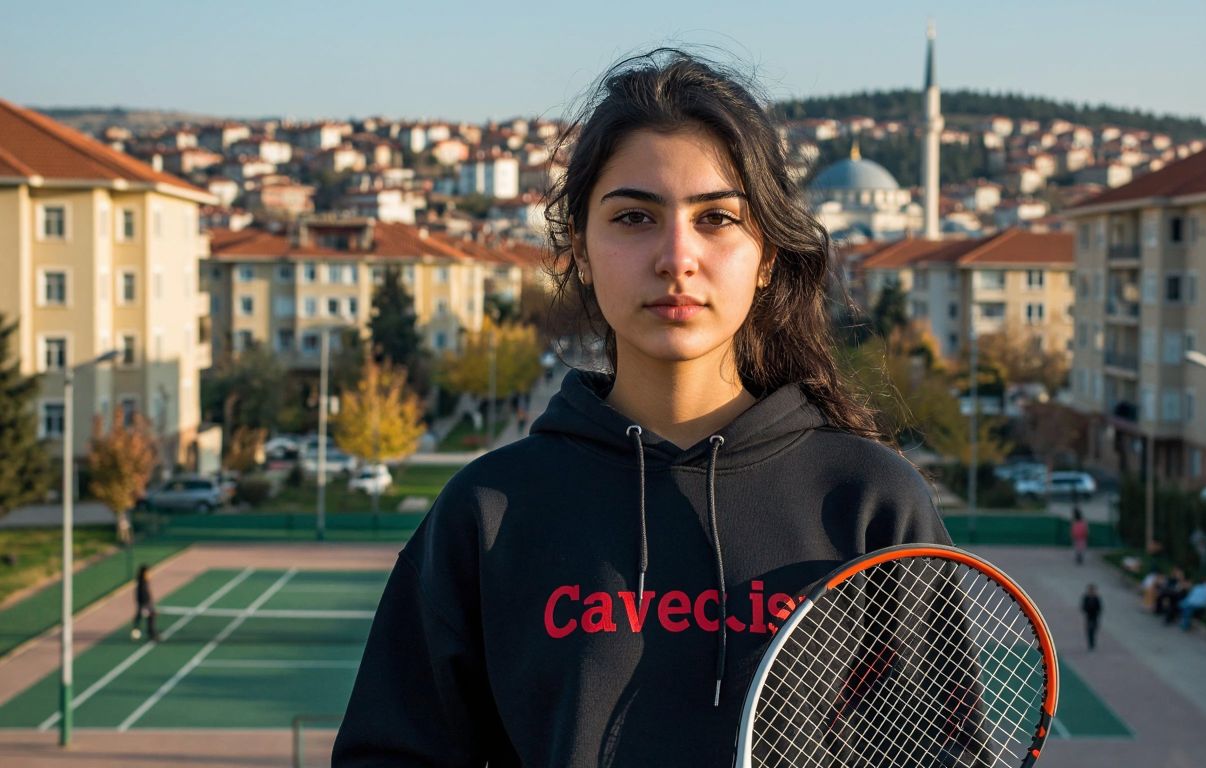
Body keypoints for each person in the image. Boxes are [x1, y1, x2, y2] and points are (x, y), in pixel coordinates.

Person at [332, 49, 954, 767]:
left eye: (718, 217)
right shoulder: (493, 512)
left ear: (768, 258)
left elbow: (943, 749)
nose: (676, 257)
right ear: (582, 253)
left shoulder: (869, 502)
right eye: (634, 216)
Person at [130, 564, 159, 642]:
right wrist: (146, 606)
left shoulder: (144, 582)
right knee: (142, 618)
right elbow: (142, 595)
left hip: (146, 604)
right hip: (144, 604)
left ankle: (149, 633)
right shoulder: (142, 584)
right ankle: (149, 634)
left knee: (141, 618)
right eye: (148, 573)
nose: (150, 575)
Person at [1080, 584, 1102, 650]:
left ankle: (1093, 643)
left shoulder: (1096, 598)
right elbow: (1083, 607)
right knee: (1089, 630)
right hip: (1088, 616)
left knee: (1094, 630)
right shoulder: (1086, 598)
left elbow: (1100, 608)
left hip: (1094, 617)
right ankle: (1090, 644)